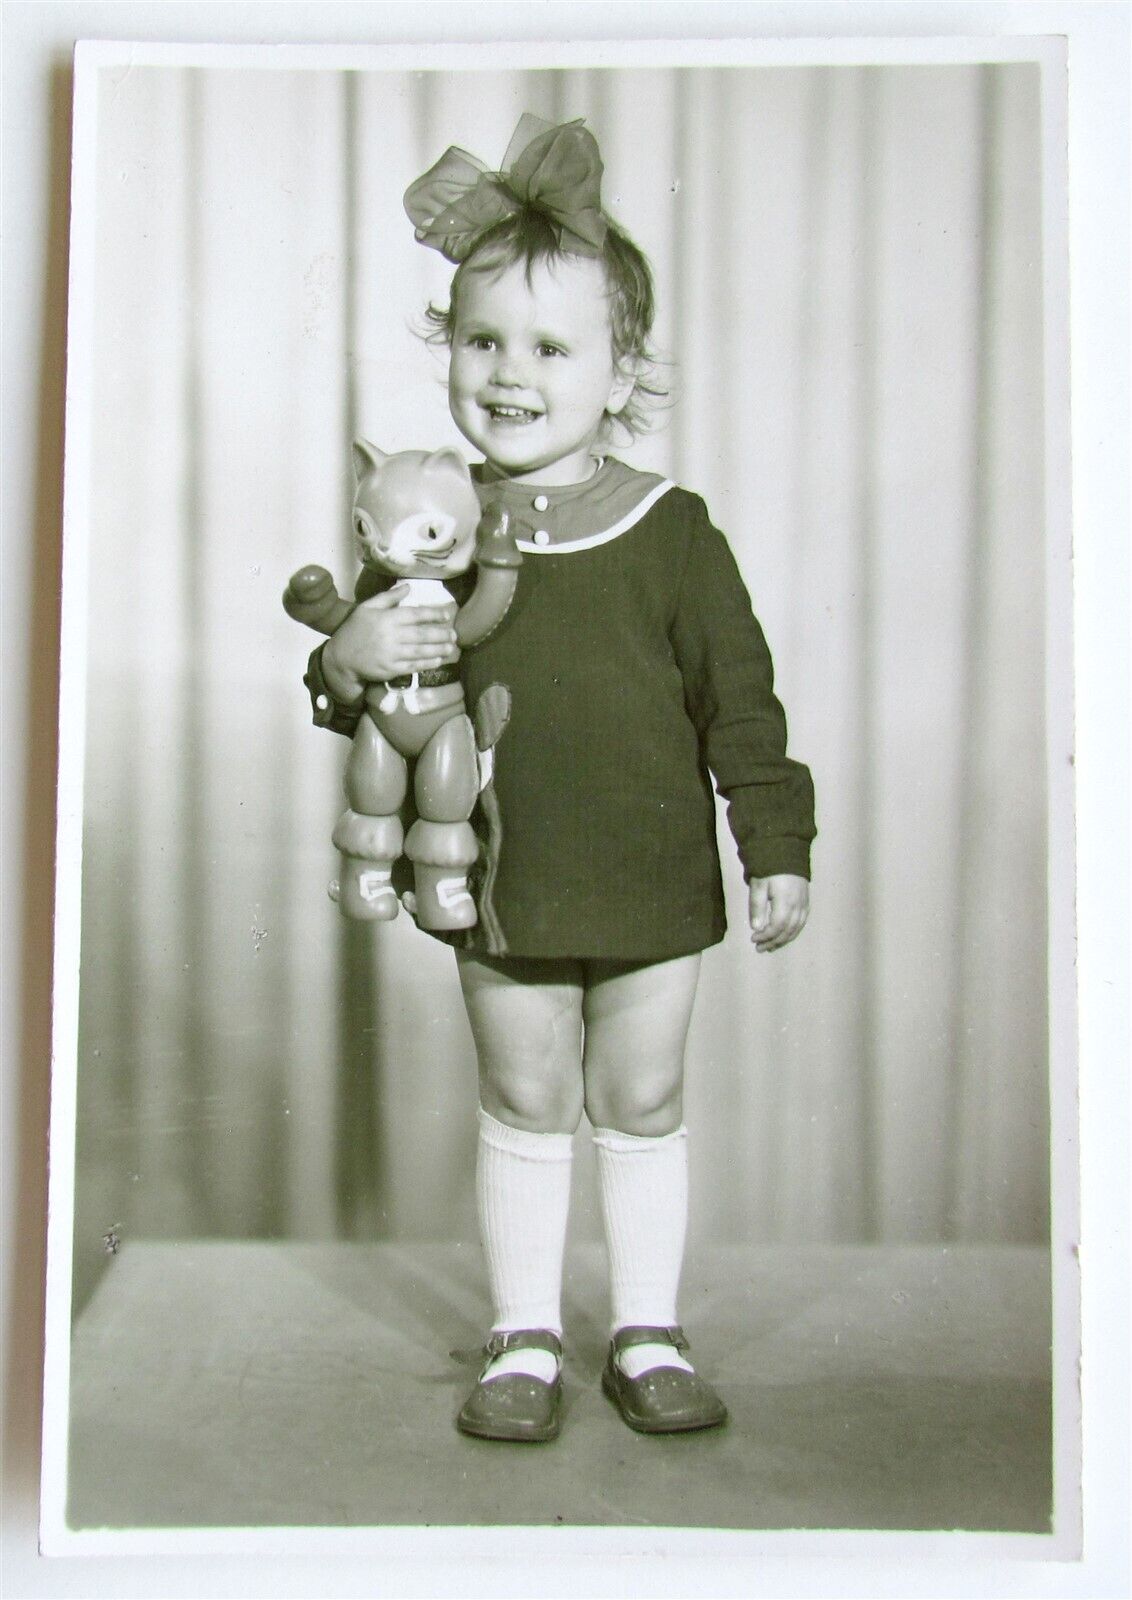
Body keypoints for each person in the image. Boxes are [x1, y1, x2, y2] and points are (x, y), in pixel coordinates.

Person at [301, 114, 816, 1443]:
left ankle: (646, 1327)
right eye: (482, 342)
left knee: (640, 1096)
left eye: (548, 346)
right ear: (448, 351)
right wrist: (352, 652)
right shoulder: (436, 525)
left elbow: (741, 704)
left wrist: (774, 845)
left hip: (647, 870)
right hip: (499, 873)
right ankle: (524, 1333)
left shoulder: (672, 530)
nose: (508, 373)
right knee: (526, 1093)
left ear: (619, 365)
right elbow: (369, 700)